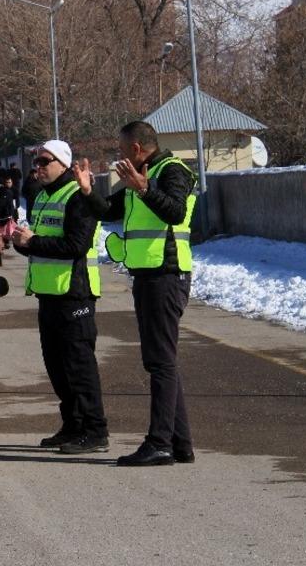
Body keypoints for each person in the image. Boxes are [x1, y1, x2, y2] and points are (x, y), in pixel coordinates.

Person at [83, 121, 197, 467]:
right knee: (160, 360)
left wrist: (146, 189)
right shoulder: (140, 174)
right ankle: (180, 444)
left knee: (161, 362)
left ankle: (159, 442)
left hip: (166, 275)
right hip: (149, 277)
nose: (119, 156)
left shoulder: (172, 171)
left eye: (121, 149)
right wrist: (88, 192)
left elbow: (176, 211)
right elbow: (110, 211)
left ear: (136, 147)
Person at [11, 140, 109, 455]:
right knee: (56, 367)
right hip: (48, 295)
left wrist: (34, 241)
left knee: (79, 366)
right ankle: (72, 425)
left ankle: (94, 430)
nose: (36, 168)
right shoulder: (42, 196)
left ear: (62, 163)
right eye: (34, 163)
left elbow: (75, 246)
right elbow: (38, 242)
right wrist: (21, 242)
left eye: (43, 161)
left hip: (74, 294)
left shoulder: (77, 197)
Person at [0, 174, 18, 263]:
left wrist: (11, 215)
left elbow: (11, 206)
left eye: (1, 184)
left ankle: (5, 242)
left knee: (5, 233)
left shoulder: (8, 193)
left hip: (5, 217)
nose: (0, 186)